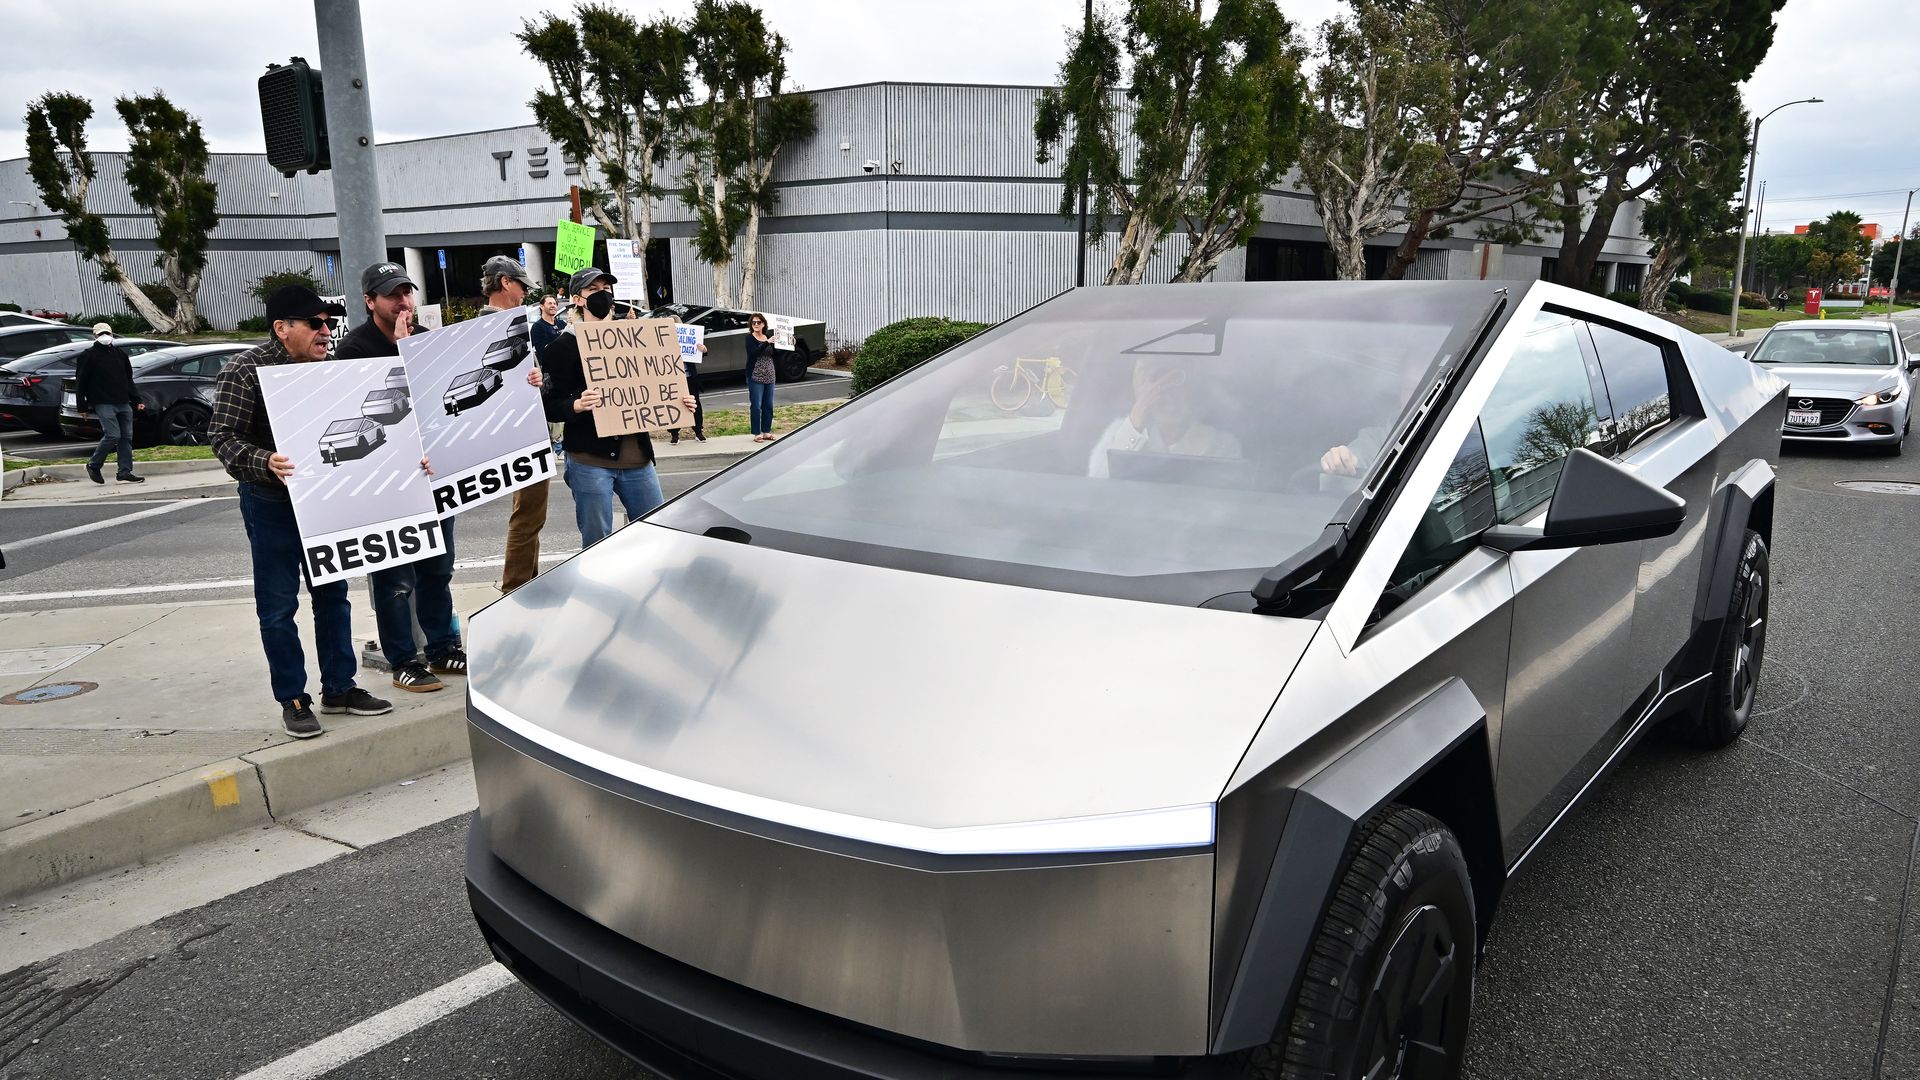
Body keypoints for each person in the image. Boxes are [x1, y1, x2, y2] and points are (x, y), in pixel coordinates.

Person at [209, 286, 392, 739]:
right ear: (282, 328)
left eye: (329, 324)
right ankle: (293, 697)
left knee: (333, 595)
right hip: (270, 501)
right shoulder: (246, 370)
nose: (326, 332)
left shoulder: (328, 370)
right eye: (315, 324)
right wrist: (265, 461)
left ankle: (340, 687)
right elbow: (223, 437)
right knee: (278, 606)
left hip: (323, 500)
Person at [543, 266, 698, 547]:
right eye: (593, 290)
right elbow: (551, 406)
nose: (602, 295)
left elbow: (652, 388)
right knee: (597, 541)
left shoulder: (635, 339)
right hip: (590, 459)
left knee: (657, 532)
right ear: (578, 299)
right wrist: (577, 404)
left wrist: (680, 402)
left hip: (637, 458)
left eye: (606, 290)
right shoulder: (560, 348)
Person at [1087, 357, 1241, 478]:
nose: (1169, 400)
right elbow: (1097, 481)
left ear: (1192, 392)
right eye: (1160, 392)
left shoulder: (1221, 444)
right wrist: (1134, 424)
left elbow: (1223, 502)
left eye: (1176, 386)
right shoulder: (1120, 430)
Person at [73, 322, 144, 485]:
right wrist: (82, 406)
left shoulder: (120, 354)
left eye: (107, 333)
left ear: (112, 334)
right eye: (101, 334)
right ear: (95, 336)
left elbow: (128, 379)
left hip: (123, 401)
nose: (105, 337)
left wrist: (137, 399)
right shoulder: (88, 355)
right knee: (113, 435)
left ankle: (125, 471)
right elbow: (81, 382)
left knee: (126, 437)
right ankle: (94, 464)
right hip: (102, 402)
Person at [668, 313, 707, 445]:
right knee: (674, 405)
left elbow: (699, 352)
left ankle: (698, 431)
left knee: (695, 405)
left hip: (690, 377)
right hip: (673, 378)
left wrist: (704, 350)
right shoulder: (664, 340)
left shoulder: (689, 336)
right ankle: (674, 434)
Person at [745, 313, 778, 441]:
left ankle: (766, 431)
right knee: (756, 405)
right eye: (754, 323)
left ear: (764, 324)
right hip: (755, 375)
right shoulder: (749, 338)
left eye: (759, 322)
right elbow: (753, 353)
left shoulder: (768, 336)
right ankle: (756, 433)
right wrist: (766, 343)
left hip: (770, 375)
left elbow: (776, 353)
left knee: (768, 405)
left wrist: (789, 342)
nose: (756, 325)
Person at [531, 294, 566, 360]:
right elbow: (543, 351)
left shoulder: (562, 323)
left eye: (555, 304)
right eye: (550, 303)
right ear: (542, 306)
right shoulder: (537, 327)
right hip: (551, 365)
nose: (553, 305)